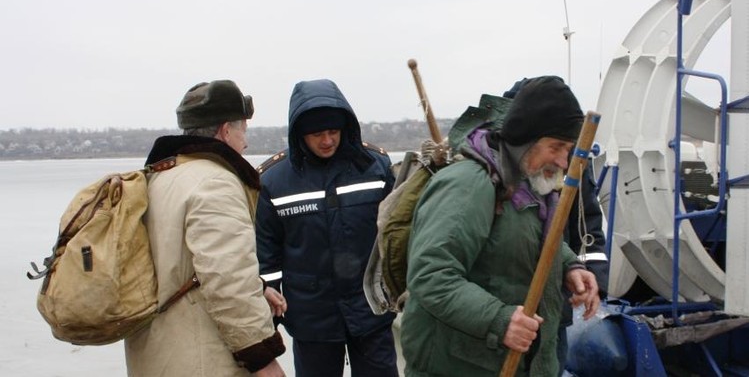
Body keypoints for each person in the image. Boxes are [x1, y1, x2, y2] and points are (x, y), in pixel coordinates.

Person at [401, 76, 600, 377]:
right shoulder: (468, 184)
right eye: (556, 146)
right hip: (459, 366)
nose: (563, 160)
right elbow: (431, 274)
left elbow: (526, 236)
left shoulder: (524, 180)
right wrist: (500, 320)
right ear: (527, 137)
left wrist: (571, 266)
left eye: (569, 148)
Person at [124, 80, 287, 377]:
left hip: (154, 354)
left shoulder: (159, 177)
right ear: (226, 130)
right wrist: (263, 359)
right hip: (203, 360)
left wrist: (258, 287)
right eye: (243, 131)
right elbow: (228, 280)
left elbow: (180, 264)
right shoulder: (216, 184)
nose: (245, 143)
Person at [255, 79, 398, 377]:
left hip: (372, 308)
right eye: (317, 134)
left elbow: (397, 233)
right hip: (311, 319)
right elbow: (266, 252)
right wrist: (269, 299)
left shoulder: (375, 167)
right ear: (300, 134)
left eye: (333, 131)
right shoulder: (274, 180)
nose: (327, 140)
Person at [502, 78, 609, 375]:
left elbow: (588, 225)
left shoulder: (572, 165)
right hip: (502, 317)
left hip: (553, 311)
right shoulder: (493, 173)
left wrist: (589, 277)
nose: (562, 158)